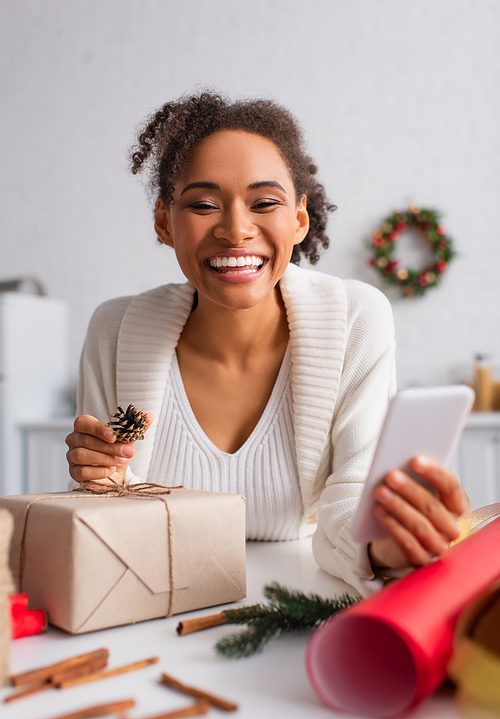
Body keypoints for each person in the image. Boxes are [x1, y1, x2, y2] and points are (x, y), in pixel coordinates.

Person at [65, 92, 465, 596]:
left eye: (265, 203)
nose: (236, 230)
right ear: (165, 222)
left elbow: (351, 503)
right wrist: (97, 485)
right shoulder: (116, 329)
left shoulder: (357, 321)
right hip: (151, 595)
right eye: (204, 204)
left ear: (299, 218)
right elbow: (109, 520)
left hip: (304, 597)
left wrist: (384, 543)